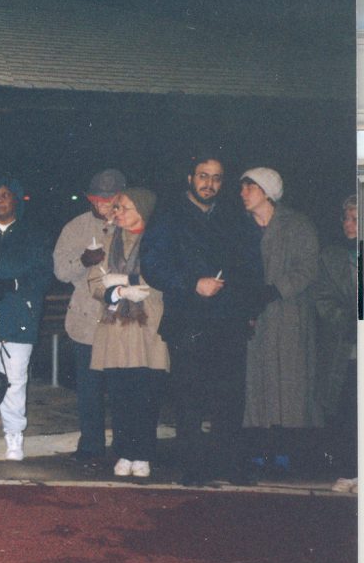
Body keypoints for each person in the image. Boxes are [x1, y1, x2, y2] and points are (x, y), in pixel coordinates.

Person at [141, 155, 263, 486]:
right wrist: (192, 283)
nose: (209, 183)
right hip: (188, 320)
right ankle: (194, 469)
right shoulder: (169, 216)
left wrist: (247, 308)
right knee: (190, 400)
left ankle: (229, 465)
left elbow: (251, 265)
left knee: (230, 399)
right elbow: (152, 264)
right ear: (190, 178)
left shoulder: (234, 218)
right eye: (203, 176)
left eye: (217, 178)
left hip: (228, 321)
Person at [0, 176, 53, 461]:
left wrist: (15, 285)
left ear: (16, 199)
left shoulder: (33, 234)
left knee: (14, 380)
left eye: (5, 195)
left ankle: (14, 436)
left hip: (19, 317)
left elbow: (44, 274)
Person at [240, 167, 321, 475]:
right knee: (256, 384)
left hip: (289, 314)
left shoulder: (297, 224)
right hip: (255, 316)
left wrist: (276, 289)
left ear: (267, 191)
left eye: (250, 188)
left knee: (289, 384)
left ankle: (287, 451)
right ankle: (260, 449)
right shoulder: (243, 227)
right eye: (243, 188)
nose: (243, 193)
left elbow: (308, 267)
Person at [88, 188, 168, 478]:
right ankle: (123, 450)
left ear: (141, 211)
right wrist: (117, 290)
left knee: (146, 392)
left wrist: (128, 278)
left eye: (123, 207)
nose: (117, 212)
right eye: (117, 207)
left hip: (147, 327)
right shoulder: (107, 240)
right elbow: (95, 279)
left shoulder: (157, 241)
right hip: (115, 326)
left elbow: (162, 276)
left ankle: (143, 452)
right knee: (120, 393)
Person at [53, 168, 125, 464]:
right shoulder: (75, 227)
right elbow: (60, 271)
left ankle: (125, 446)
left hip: (124, 321)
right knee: (90, 390)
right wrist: (83, 260)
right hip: (86, 322)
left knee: (122, 388)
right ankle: (91, 446)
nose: (102, 205)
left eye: (109, 199)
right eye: (96, 199)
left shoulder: (131, 223)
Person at [316, 196, 357, 493]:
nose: (348, 224)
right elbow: (324, 299)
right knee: (348, 407)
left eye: (356, 219)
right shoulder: (332, 257)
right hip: (349, 345)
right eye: (346, 218)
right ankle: (350, 469)